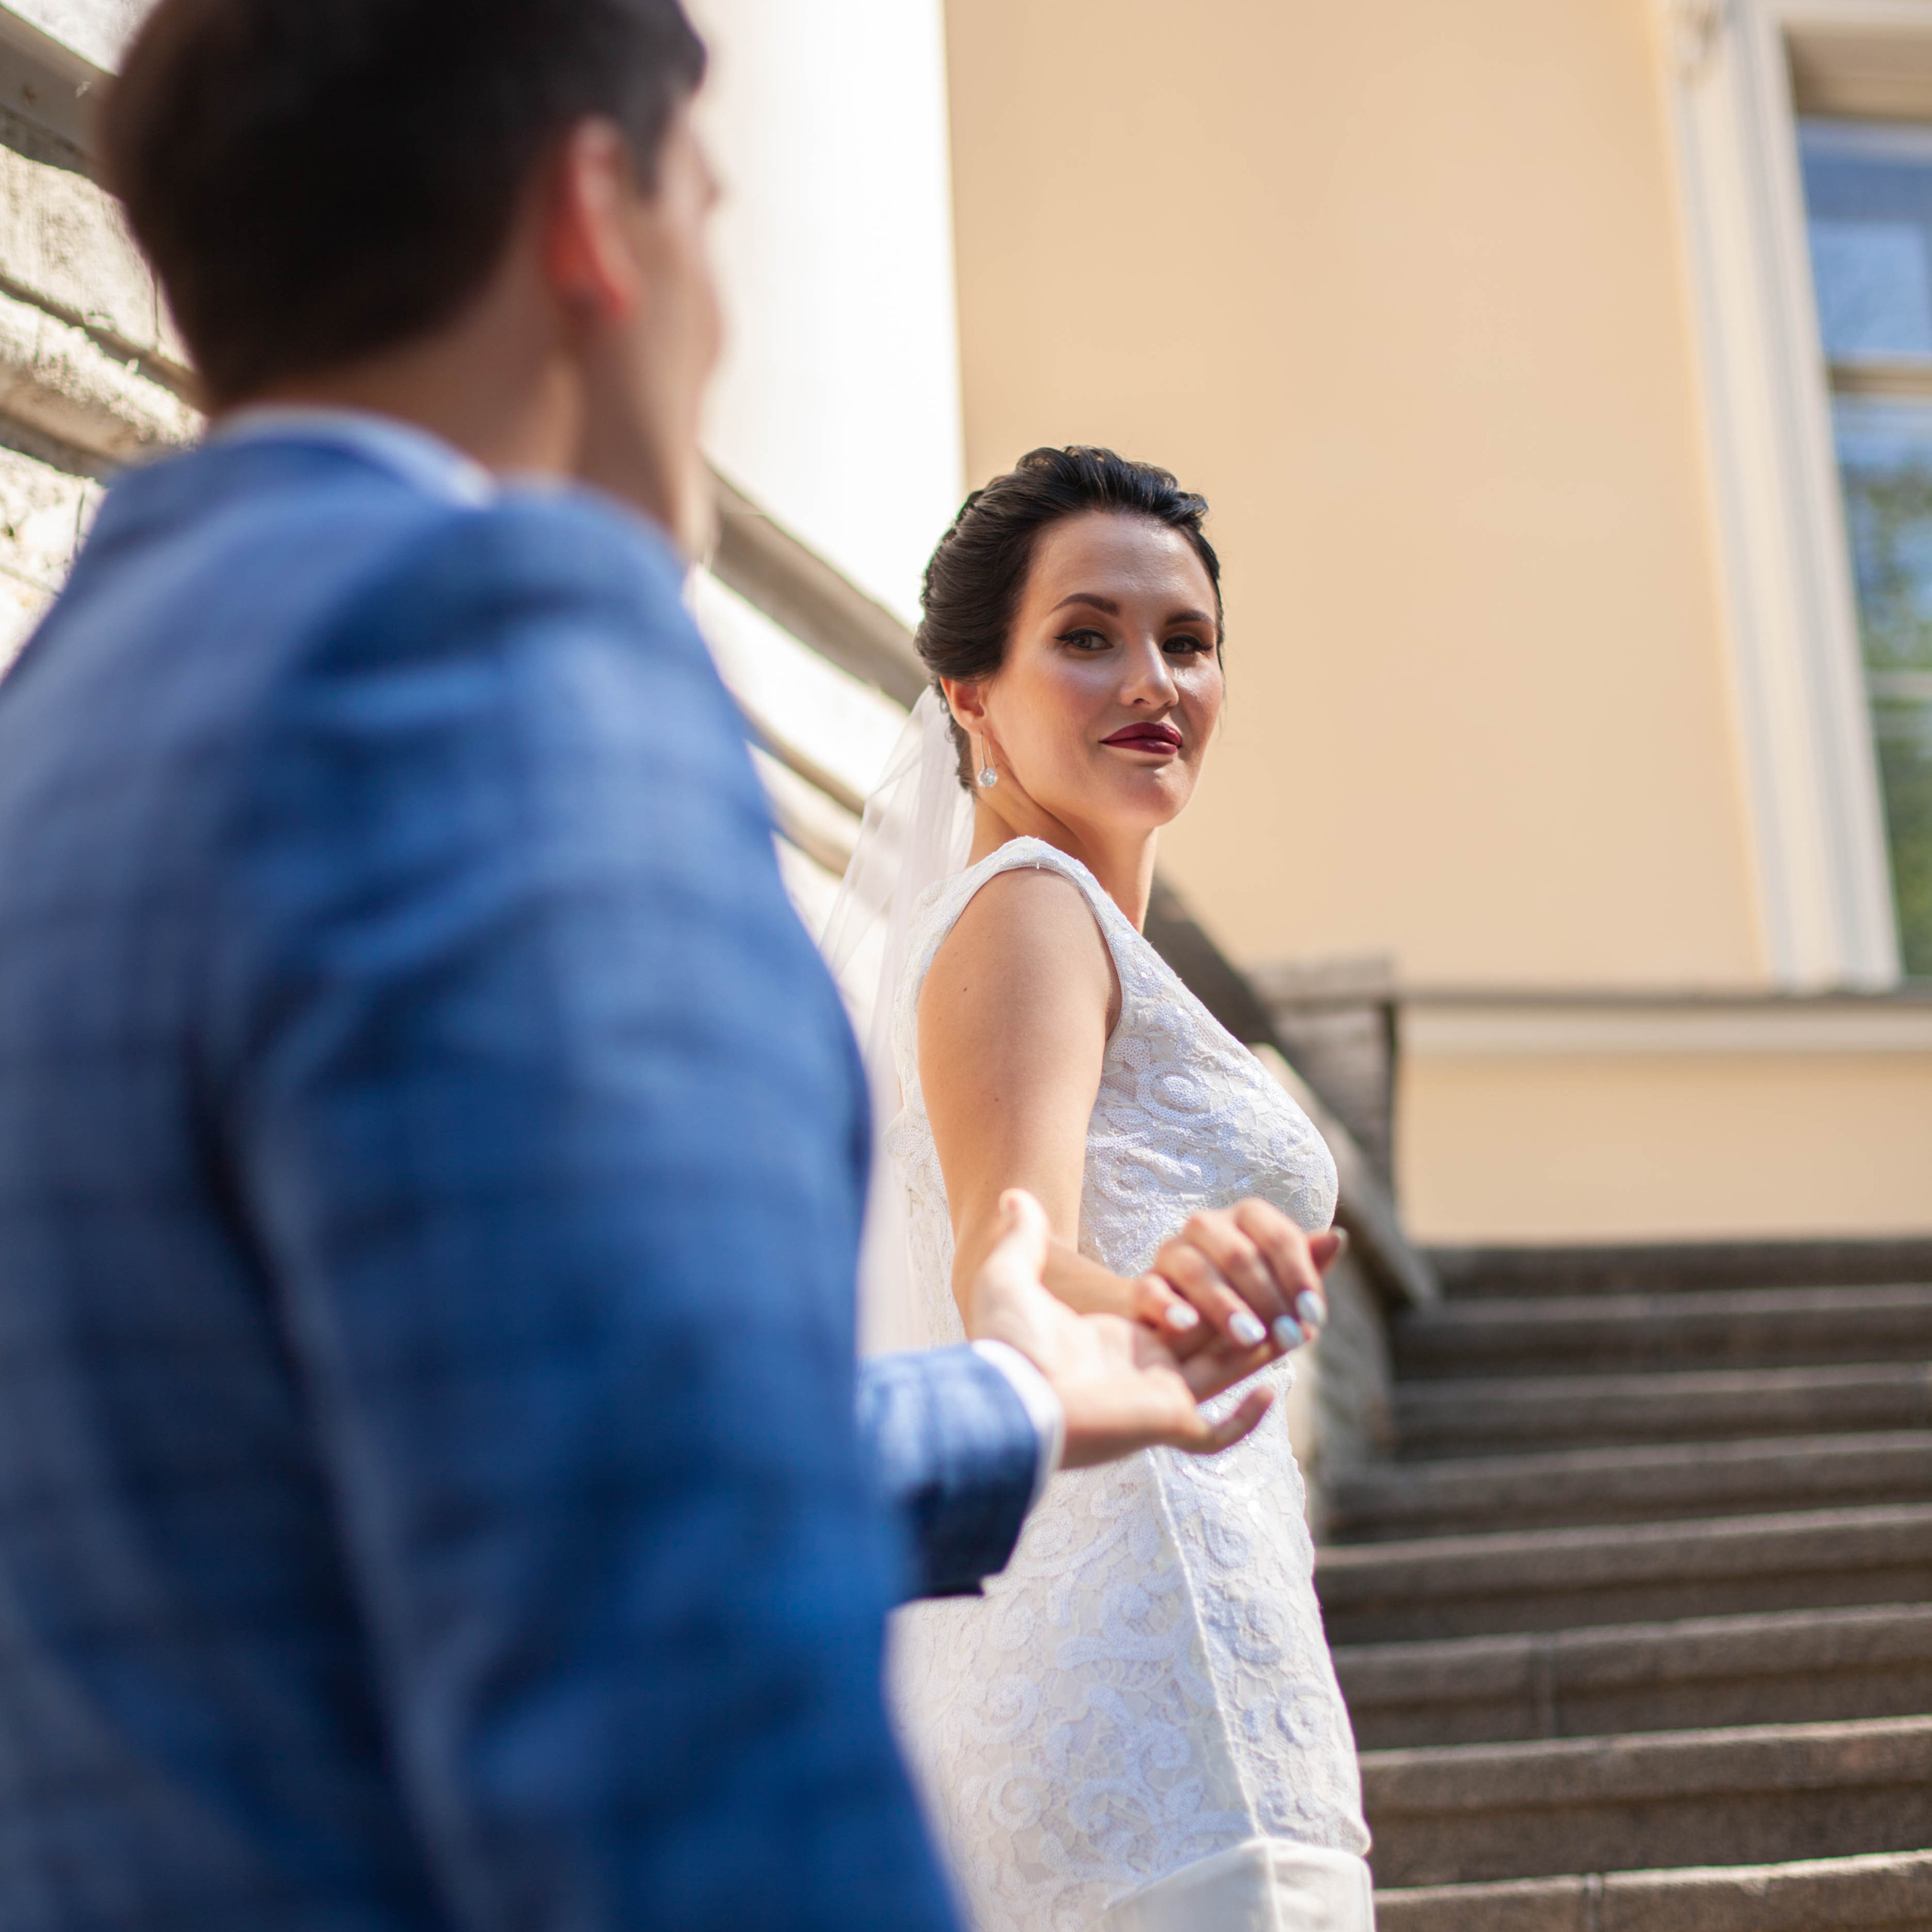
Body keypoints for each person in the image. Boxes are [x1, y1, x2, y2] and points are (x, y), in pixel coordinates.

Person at [0, 4, 1322, 1929]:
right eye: (709, 213)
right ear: (593, 216)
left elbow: (511, 1457)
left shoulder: (57, 723)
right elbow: (670, 1608)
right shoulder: (491, 665)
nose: (718, 325)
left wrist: (1015, 1400)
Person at [832, 448, 1375, 1930]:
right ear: (970, 693)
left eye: (1186, 641)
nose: (1152, 681)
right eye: (1086, 636)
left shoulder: (1055, 925)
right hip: (1156, 1653)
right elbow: (1008, 1260)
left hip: (1155, 1628)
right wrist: (1167, 1299)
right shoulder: (1028, 906)